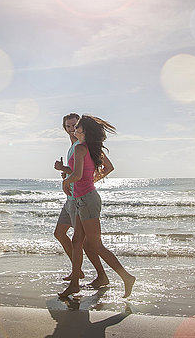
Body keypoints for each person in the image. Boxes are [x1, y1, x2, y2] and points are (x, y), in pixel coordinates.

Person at [58, 115, 136, 298]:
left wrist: (66, 182)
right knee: (77, 242)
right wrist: (86, 180)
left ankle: (127, 277)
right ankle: (75, 284)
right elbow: (84, 174)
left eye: (77, 126)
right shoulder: (87, 148)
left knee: (96, 245)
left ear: (83, 131)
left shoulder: (80, 149)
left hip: (86, 200)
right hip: (81, 199)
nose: (73, 129)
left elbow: (77, 175)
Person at [53, 113, 106, 286]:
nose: (71, 130)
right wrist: (65, 170)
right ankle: (78, 271)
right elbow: (77, 171)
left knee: (84, 243)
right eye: (68, 127)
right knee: (60, 233)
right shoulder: (73, 145)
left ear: (79, 126)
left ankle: (100, 275)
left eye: (74, 126)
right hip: (70, 198)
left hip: (79, 198)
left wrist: (88, 180)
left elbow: (103, 168)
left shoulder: (84, 145)